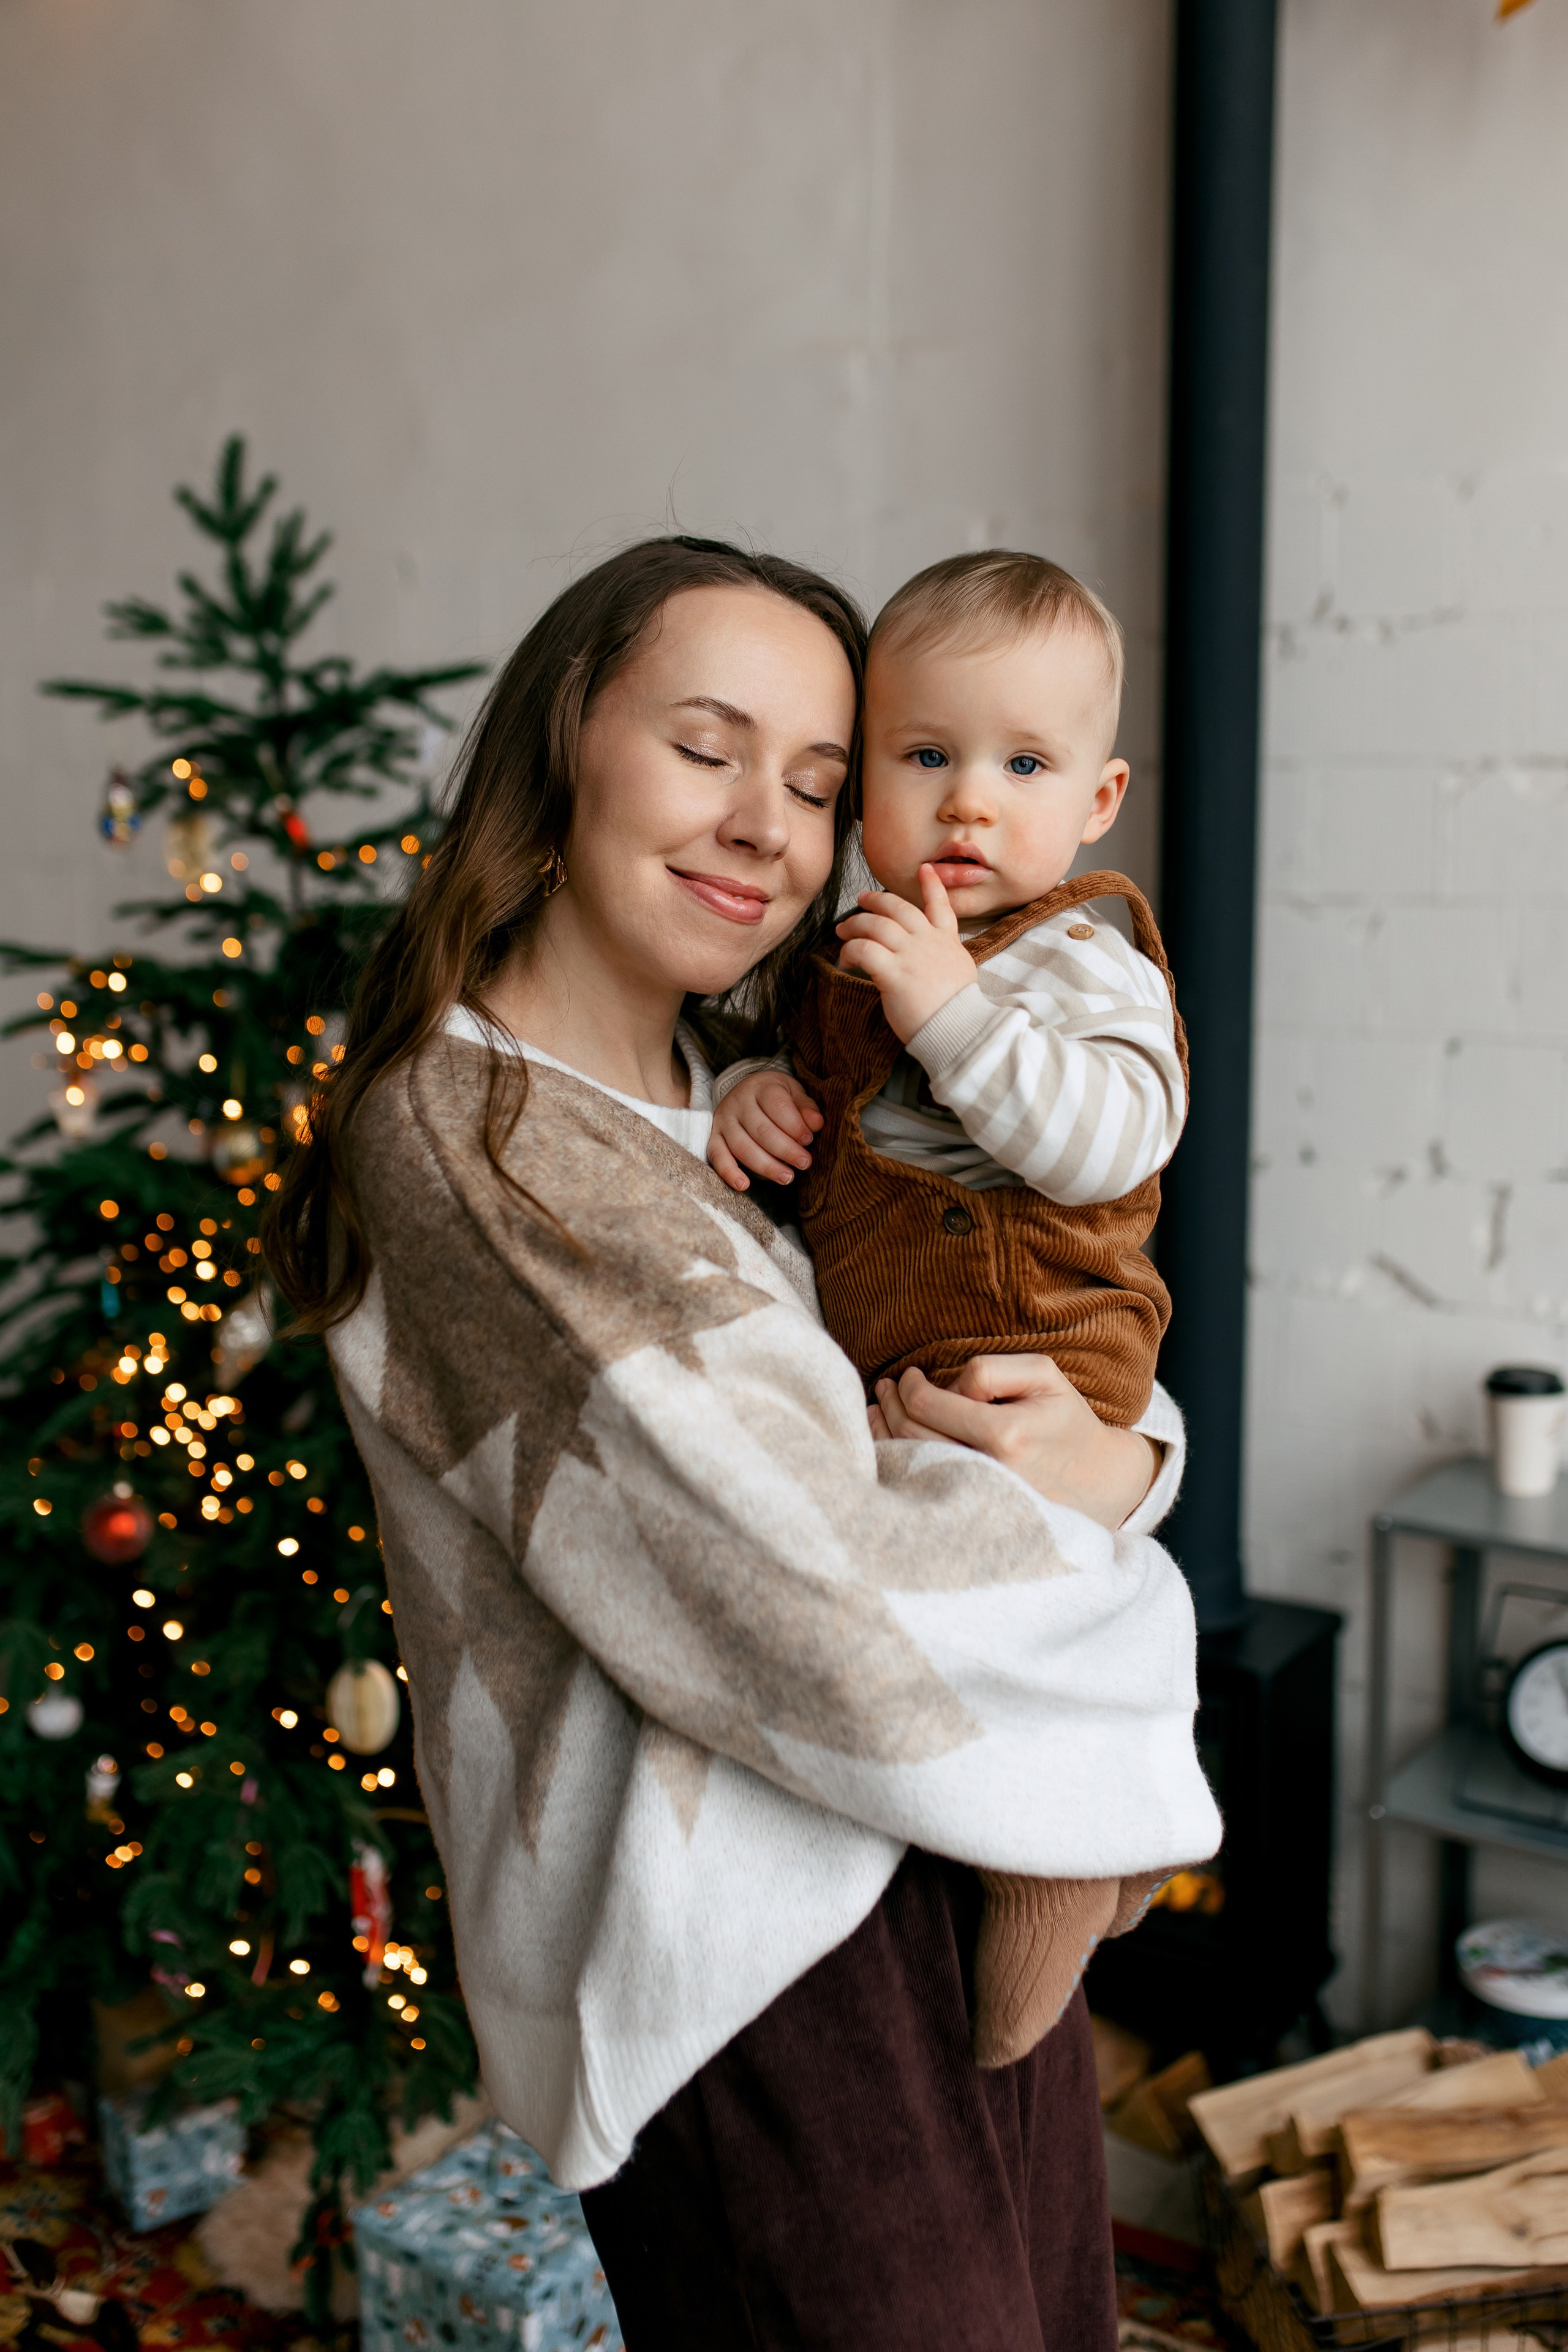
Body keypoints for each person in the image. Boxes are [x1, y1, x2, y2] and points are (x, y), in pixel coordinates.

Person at [265, 536, 1220, 2352]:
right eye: (709, 746)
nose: (766, 827)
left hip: (957, 1838)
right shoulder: (479, 1140)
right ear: (567, 744)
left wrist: (1125, 1459)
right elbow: (820, 1575)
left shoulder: (768, 1093)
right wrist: (1124, 1550)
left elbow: (985, 1342)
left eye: (811, 777)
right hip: (737, 1958)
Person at [707, 551, 1188, 2070]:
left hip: (1052, 1345)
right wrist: (752, 1090)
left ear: (1095, 802)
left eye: (1020, 764)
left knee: (1062, 1589)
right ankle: (1068, 1837)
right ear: (864, 797)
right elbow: (830, 1116)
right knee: (926, 1591)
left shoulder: (1083, 959)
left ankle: (1063, 1856)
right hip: (899, 1368)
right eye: (925, 758)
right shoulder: (839, 968)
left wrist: (954, 1013)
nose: (967, 802)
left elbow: (1112, 1138)